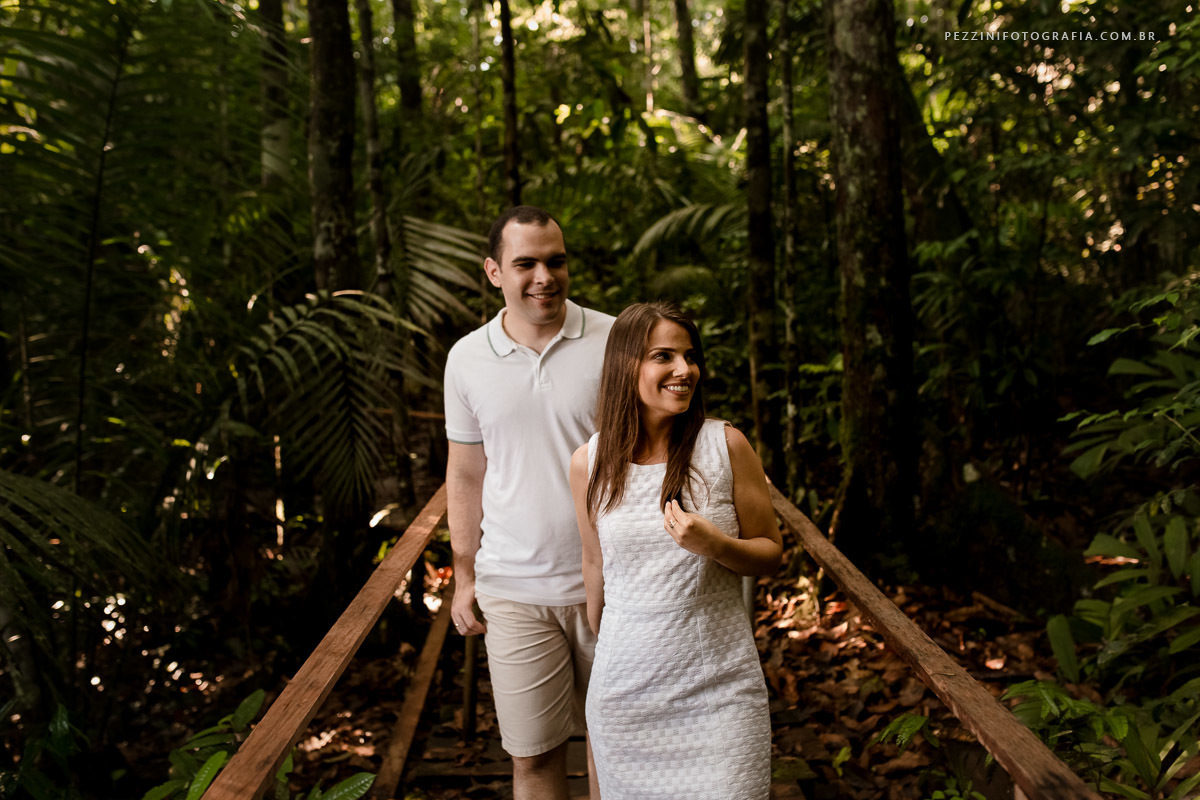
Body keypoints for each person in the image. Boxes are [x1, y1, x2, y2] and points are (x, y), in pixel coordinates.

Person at [569, 301, 782, 799]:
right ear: (627, 365)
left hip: (719, 692)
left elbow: (771, 553)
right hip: (626, 693)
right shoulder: (589, 463)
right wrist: (612, 646)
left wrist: (716, 545)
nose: (684, 371)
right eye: (663, 356)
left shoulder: (726, 446)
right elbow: (595, 562)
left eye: (689, 356)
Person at [444, 205, 614, 800]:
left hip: (615, 586)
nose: (544, 276)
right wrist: (463, 576)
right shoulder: (466, 358)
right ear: (494, 272)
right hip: (513, 590)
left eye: (556, 261)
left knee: (612, 751)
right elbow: (465, 474)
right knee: (533, 757)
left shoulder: (617, 338)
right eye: (526, 264)